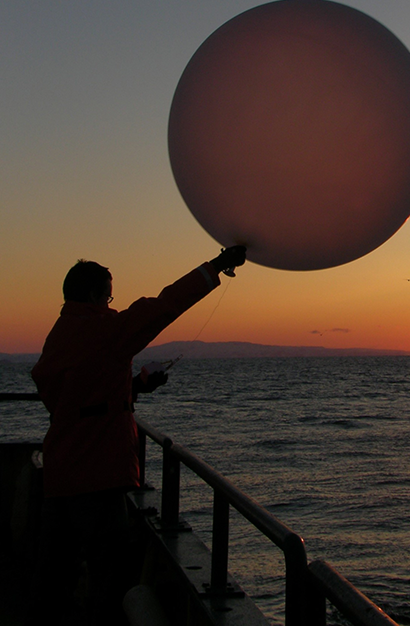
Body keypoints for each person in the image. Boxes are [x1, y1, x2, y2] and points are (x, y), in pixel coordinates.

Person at [27, 245, 246, 625]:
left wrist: (135, 388)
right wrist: (217, 266)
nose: (112, 305)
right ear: (96, 295)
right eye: (109, 297)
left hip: (60, 473)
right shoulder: (104, 331)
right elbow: (163, 306)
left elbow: (77, 397)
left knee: (57, 573)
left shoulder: (60, 334)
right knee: (111, 571)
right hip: (95, 477)